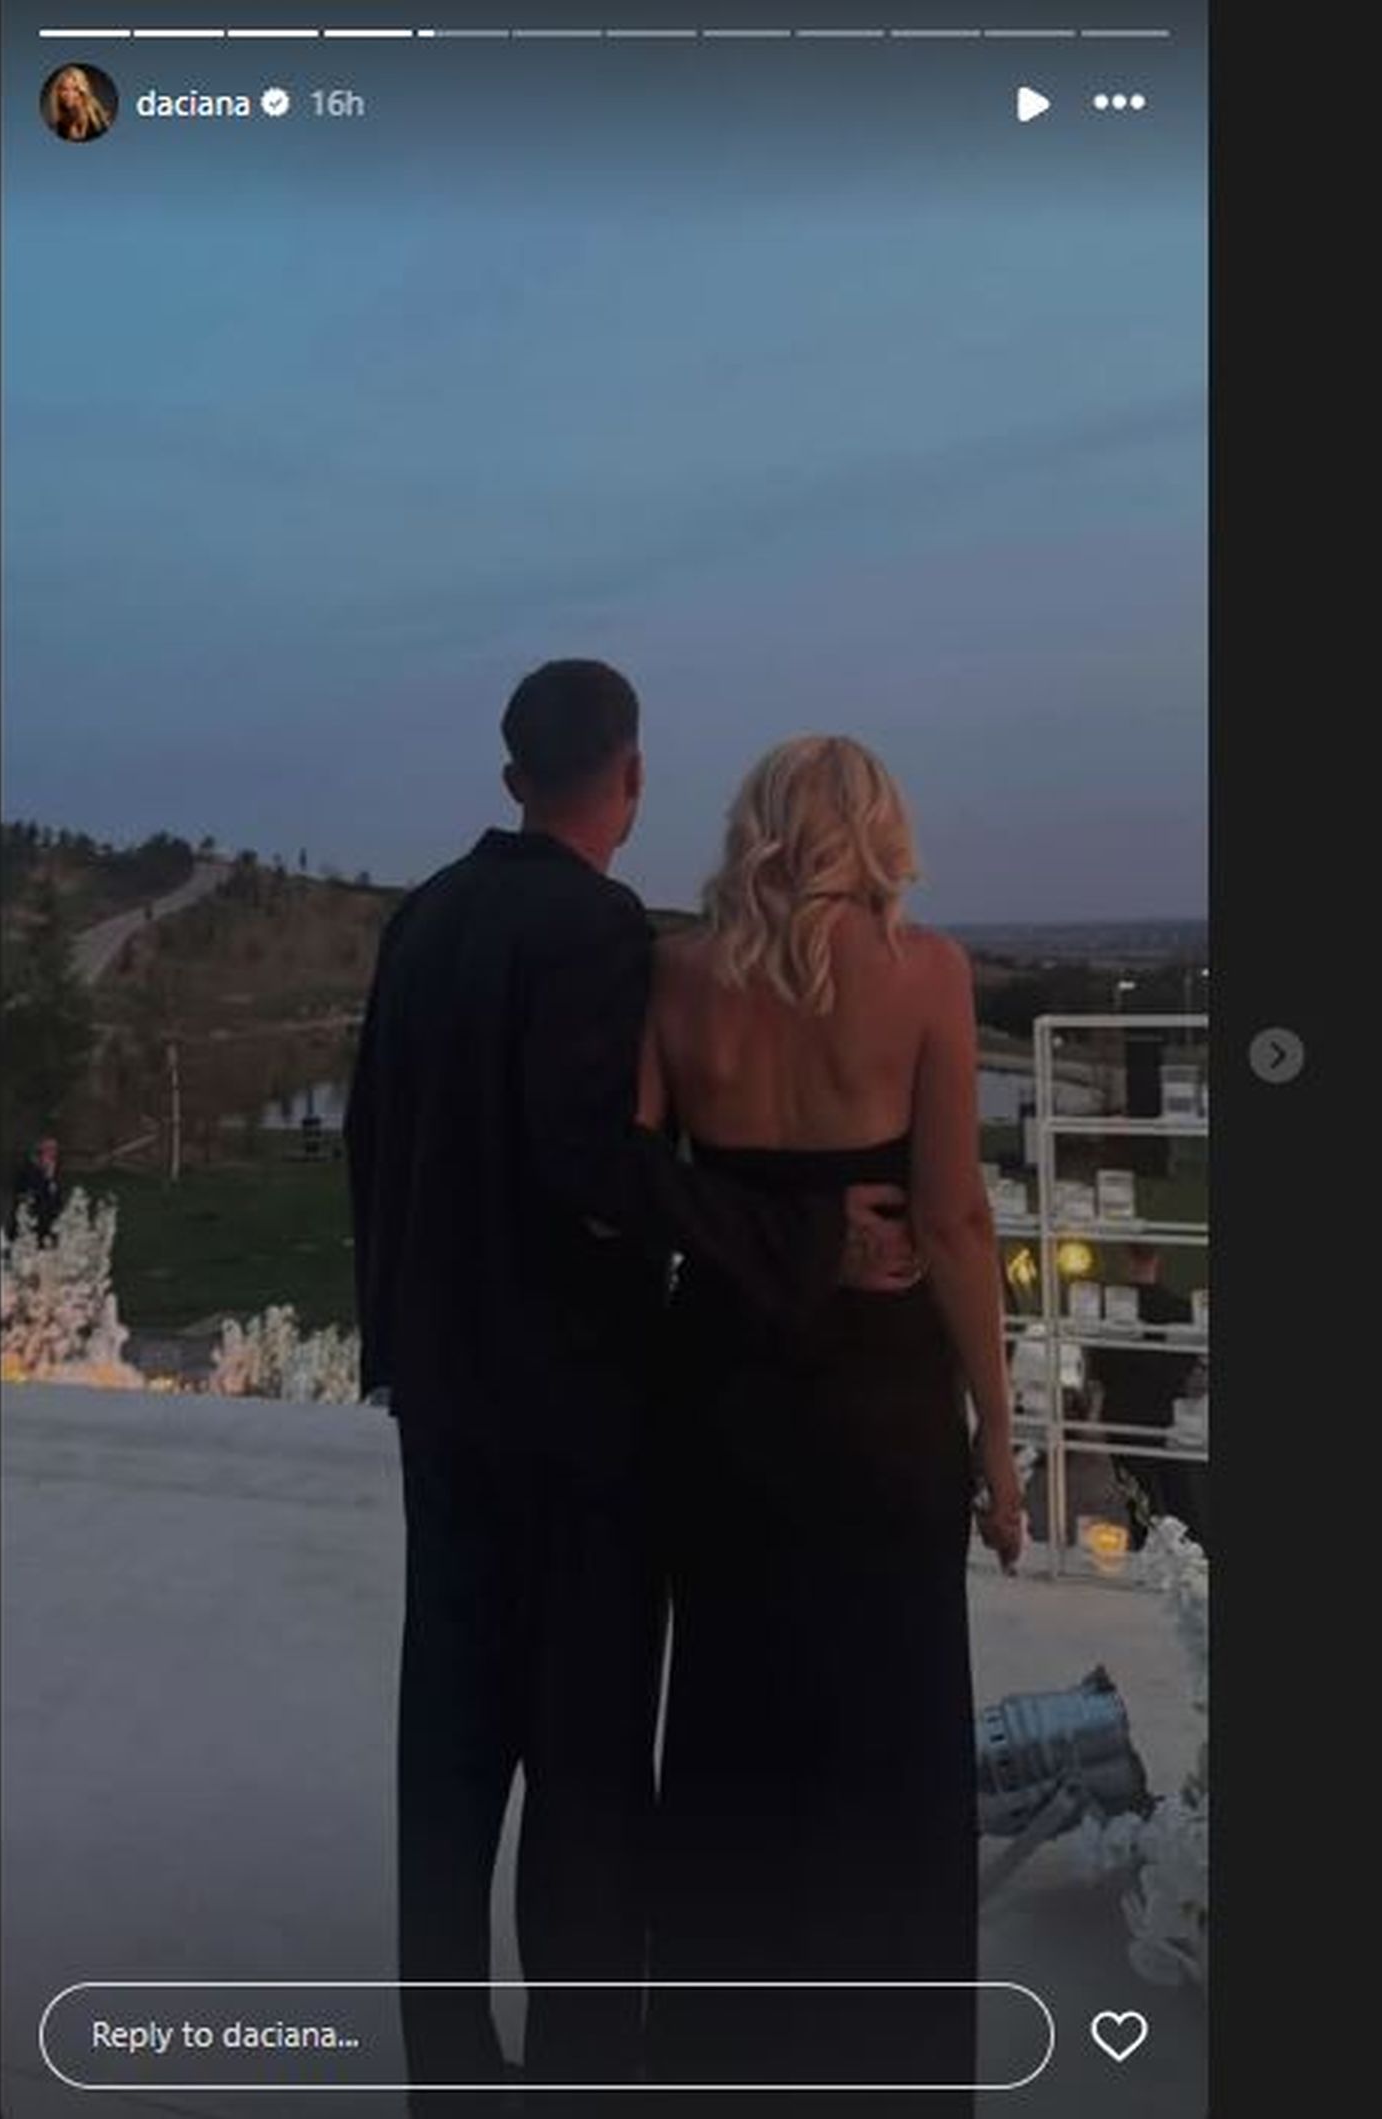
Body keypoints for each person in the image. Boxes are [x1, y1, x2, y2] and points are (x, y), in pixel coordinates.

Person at [344, 663, 920, 2115]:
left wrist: (393, 1339)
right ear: (633, 775)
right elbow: (597, 1164)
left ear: (512, 776)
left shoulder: (425, 917)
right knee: (586, 1757)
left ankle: (447, 2072)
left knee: (449, 1746)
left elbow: (372, 1140)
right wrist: (809, 1239)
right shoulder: (598, 930)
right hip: (579, 1407)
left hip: (445, 1399)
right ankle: (585, 2068)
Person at [639, 736, 1024, 2118]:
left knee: (730, 1723)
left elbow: (637, 1180)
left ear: (755, 828)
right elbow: (954, 1220)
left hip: (723, 1392)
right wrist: (1000, 1440)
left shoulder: (675, 974)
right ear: (876, 831)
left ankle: (715, 2065)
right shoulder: (929, 974)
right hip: (882, 1405)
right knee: (890, 1738)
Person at [1094, 1242, 1205, 1550]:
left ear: (1125, 1257)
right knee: (1180, 1496)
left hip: (1123, 1416)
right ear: (1158, 1259)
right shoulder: (1181, 1309)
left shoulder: (1109, 1312)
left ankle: (1147, 1555)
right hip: (1168, 1416)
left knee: (1139, 1502)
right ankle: (1191, 1557)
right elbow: (1188, 1366)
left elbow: (1100, 1369)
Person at [5, 1137, 64, 1246]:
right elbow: (26, 1191)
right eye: (49, 1149)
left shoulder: (55, 1169)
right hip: (31, 1218)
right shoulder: (28, 1168)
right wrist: (46, 1178)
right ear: (41, 1151)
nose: (53, 1153)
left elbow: (56, 1193)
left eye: (54, 1150)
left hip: (49, 1218)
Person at [42, 65, 113, 142]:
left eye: (75, 89)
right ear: (58, 92)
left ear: (82, 90)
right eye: (64, 89)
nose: (69, 94)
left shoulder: (96, 116)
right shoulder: (60, 123)